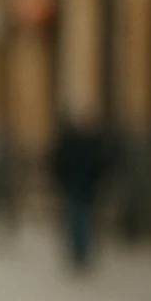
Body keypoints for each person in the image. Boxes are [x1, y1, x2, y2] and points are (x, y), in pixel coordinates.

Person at [51, 114, 109, 271]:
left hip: (85, 189)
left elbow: (100, 166)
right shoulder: (73, 143)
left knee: (82, 220)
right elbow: (59, 163)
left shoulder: (93, 144)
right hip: (74, 187)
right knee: (75, 220)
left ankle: (81, 252)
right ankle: (77, 252)